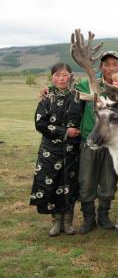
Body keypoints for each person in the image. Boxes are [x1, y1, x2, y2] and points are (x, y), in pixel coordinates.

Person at [30, 63, 82, 236]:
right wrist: (65, 132)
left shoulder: (78, 97)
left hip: (71, 151)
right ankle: (56, 221)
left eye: (65, 75)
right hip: (50, 152)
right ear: (52, 77)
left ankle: (68, 222)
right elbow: (40, 123)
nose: (61, 78)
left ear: (71, 76)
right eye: (58, 75)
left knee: (69, 185)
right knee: (50, 184)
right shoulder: (46, 98)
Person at [77, 50, 118, 234]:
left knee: (109, 180)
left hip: (111, 143)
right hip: (90, 138)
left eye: (114, 64)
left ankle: (103, 215)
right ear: (101, 66)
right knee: (86, 179)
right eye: (106, 64)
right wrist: (47, 92)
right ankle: (88, 218)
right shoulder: (86, 84)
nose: (110, 68)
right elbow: (74, 105)